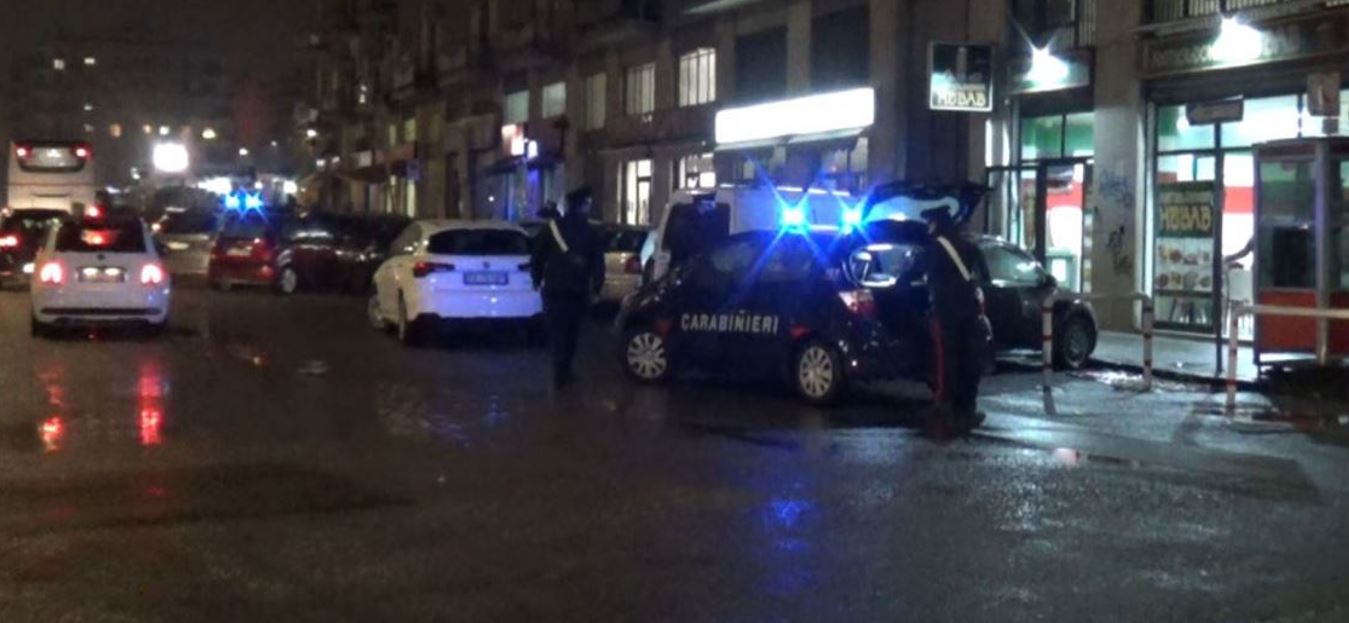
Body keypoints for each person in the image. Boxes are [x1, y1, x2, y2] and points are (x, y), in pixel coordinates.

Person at [921, 207, 989, 433]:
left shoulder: (934, 249)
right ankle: (967, 409)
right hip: (970, 313)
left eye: (929, 223)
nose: (928, 228)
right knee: (968, 360)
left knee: (946, 361)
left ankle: (945, 409)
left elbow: (913, 273)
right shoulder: (968, 246)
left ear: (935, 223)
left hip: (946, 315)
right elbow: (984, 275)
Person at [531, 187, 605, 387]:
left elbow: (538, 256)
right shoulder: (591, 232)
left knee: (557, 332)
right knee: (572, 332)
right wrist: (597, 288)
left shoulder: (552, 228)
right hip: (577, 290)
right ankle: (566, 370)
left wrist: (536, 279)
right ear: (583, 206)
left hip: (554, 289)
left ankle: (559, 370)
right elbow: (598, 263)